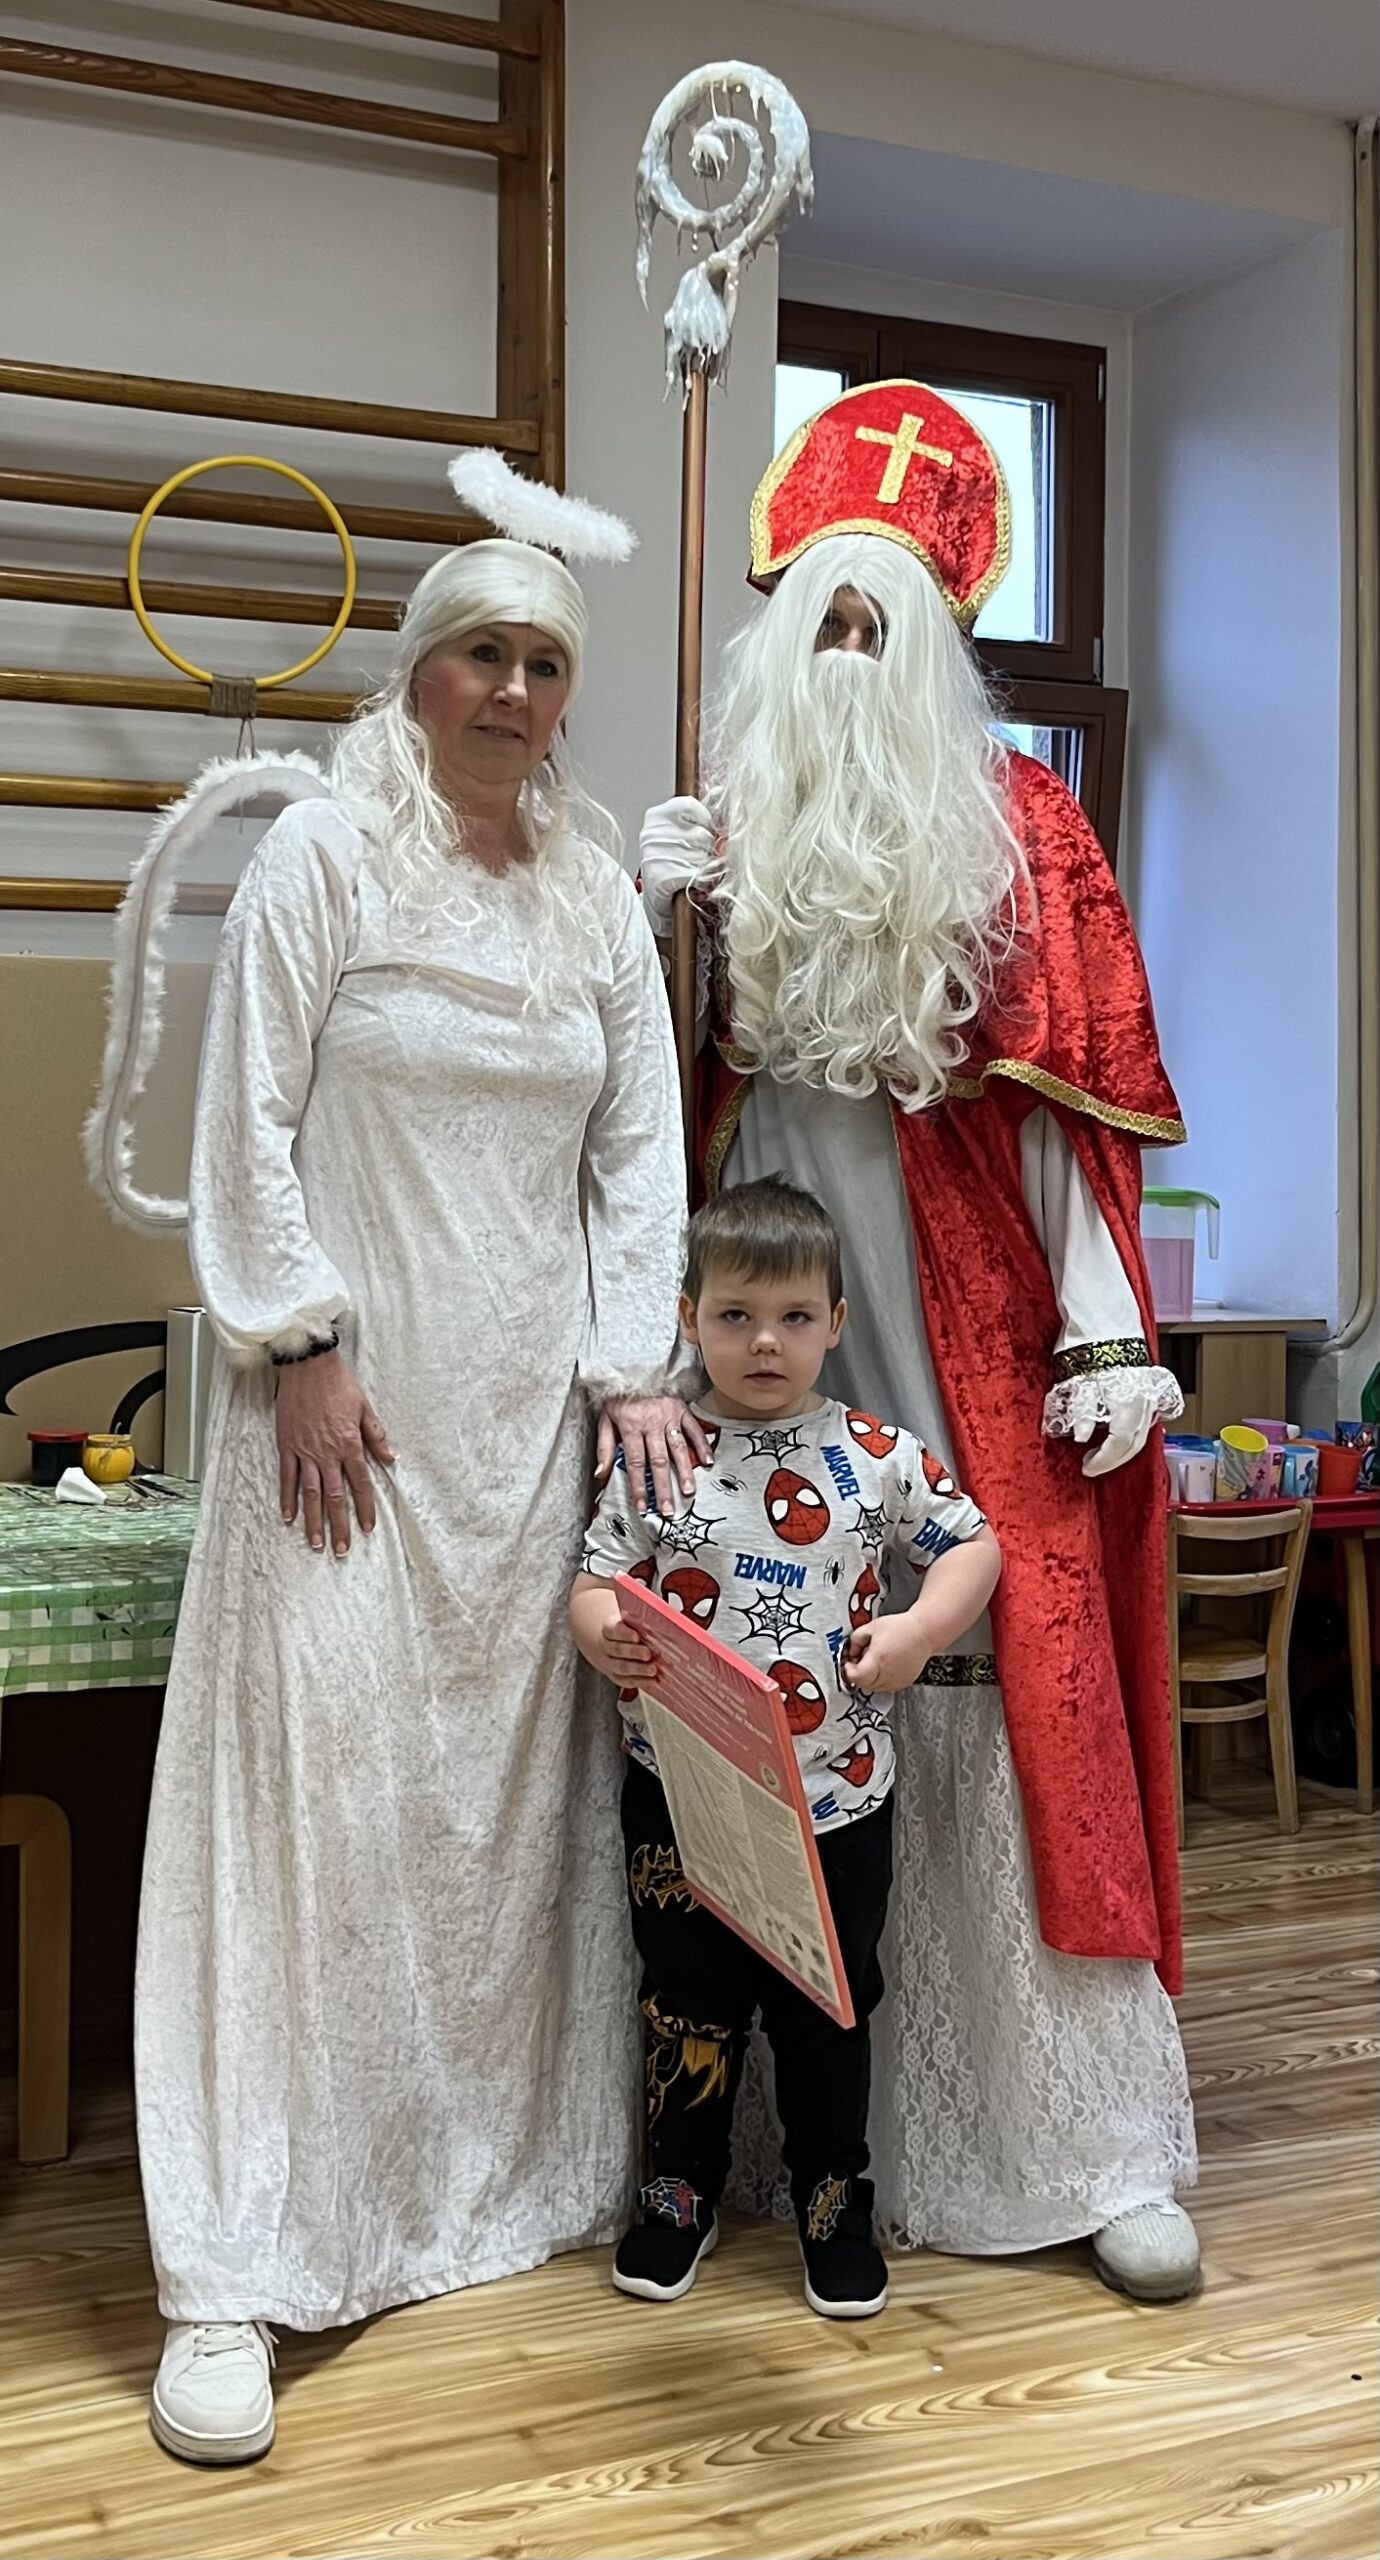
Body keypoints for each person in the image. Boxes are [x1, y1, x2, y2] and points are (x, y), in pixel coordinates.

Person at [85, 453, 703, 2464]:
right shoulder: (323, 858)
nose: (515, 690)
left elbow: (639, 1153)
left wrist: (629, 1365)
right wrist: (300, 1343)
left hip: (528, 1437)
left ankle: (469, 2184)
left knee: (493, 1822)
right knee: (314, 1814)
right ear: (421, 671)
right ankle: (240, 2263)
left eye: (546, 662)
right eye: (482, 656)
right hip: (342, 1425)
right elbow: (246, 1121)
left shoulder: (595, 896)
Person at [637, 381, 1202, 2303]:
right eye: (829, 622)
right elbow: (649, 1114)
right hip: (763, 1335)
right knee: (764, 1691)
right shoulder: (731, 843)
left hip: (974, 1329)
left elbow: (1074, 1108)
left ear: (940, 650)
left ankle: (1076, 2142)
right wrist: (651, 925)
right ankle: (766, 2142)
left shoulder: (1020, 826)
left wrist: (1109, 1337)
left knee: (1013, 1694)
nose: (853, 656)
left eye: (885, 624)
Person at [571, 1177, 1002, 2319]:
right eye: (736, 1315)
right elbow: (596, 1578)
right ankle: (680, 2189)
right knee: (686, 2001)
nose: (765, 1341)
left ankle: (832, 2197)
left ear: (836, 1323)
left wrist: (918, 1632)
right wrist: (603, 1636)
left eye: (794, 1316)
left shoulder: (876, 1454)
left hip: (839, 1801)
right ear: (689, 1319)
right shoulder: (660, 1456)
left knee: (831, 2008)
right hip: (682, 1796)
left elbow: (974, 1547)